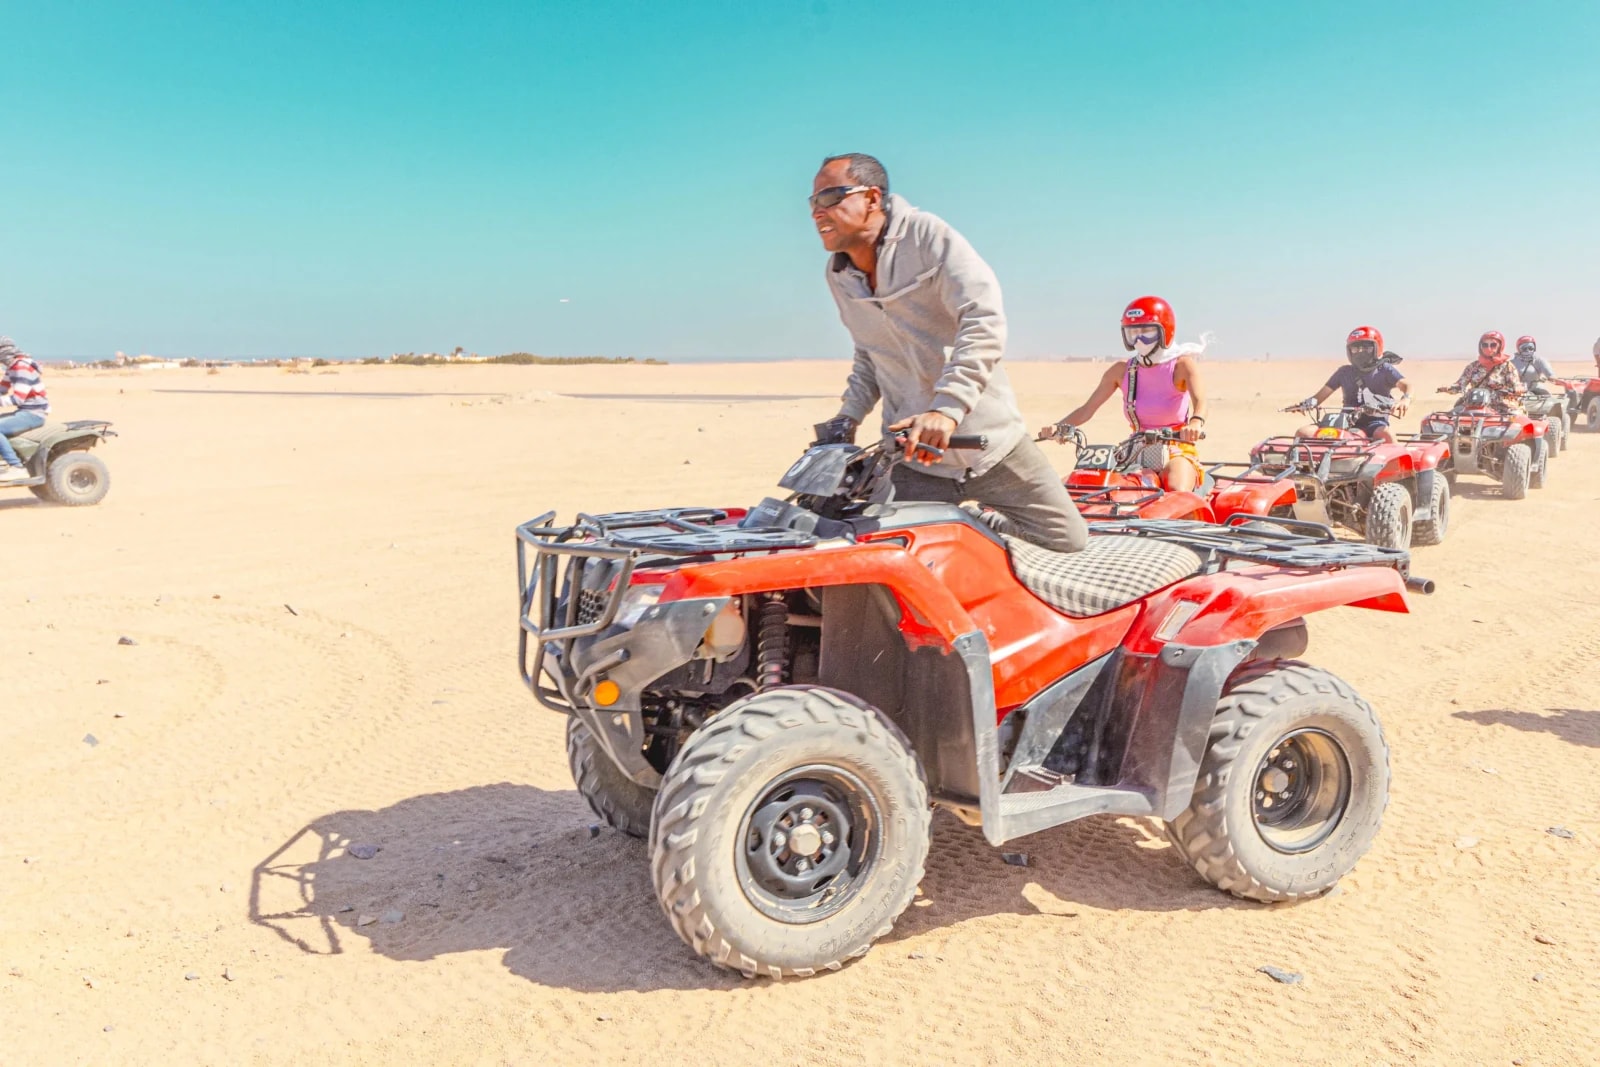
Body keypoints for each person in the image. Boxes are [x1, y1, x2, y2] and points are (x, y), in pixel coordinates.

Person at [810, 153, 1088, 553]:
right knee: (894, 556)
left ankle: (975, 524)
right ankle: (958, 525)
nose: (817, 211)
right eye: (813, 202)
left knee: (1068, 540)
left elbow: (983, 318)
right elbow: (870, 352)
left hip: (989, 443)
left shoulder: (927, 237)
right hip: (914, 457)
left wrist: (947, 409)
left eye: (830, 197)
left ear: (872, 198)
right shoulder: (838, 276)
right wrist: (847, 418)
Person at [1041, 296, 1208, 491]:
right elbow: (1087, 409)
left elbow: (1201, 402)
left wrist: (1195, 423)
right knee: (1088, 486)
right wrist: (1059, 427)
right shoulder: (1121, 371)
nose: (1139, 339)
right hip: (1135, 449)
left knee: (1176, 487)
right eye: (1133, 333)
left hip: (1177, 448)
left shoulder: (1182, 366)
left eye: (1146, 332)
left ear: (1165, 331)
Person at [1288, 325, 1411, 444]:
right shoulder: (1344, 372)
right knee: (1303, 432)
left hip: (1375, 423)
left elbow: (1407, 386)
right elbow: (1319, 397)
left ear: (1377, 348)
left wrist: (1405, 399)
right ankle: (1300, 458)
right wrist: (1304, 405)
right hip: (1344, 421)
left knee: (1386, 435)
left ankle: (1402, 457)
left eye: (1366, 348)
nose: (1360, 352)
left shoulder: (1384, 369)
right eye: (1355, 349)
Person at [0, 336, 49, 483]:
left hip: (33, 414)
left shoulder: (21, 367)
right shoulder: (12, 367)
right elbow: (2, 388)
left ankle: (16, 467)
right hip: (24, 411)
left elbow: (19, 398)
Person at [1437, 331, 1522, 413]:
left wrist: (1518, 388)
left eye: (1493, 345)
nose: (1488, 348)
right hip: (1472, 404)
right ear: (1480, 347)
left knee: (1516, 416)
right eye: (1485, 345)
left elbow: (1516, 383)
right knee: (1452, 417)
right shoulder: (1473, 367)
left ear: (1500, 346)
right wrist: (1449, 389)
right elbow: (1460, 384)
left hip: (1500, 405)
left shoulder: (1507, 366)